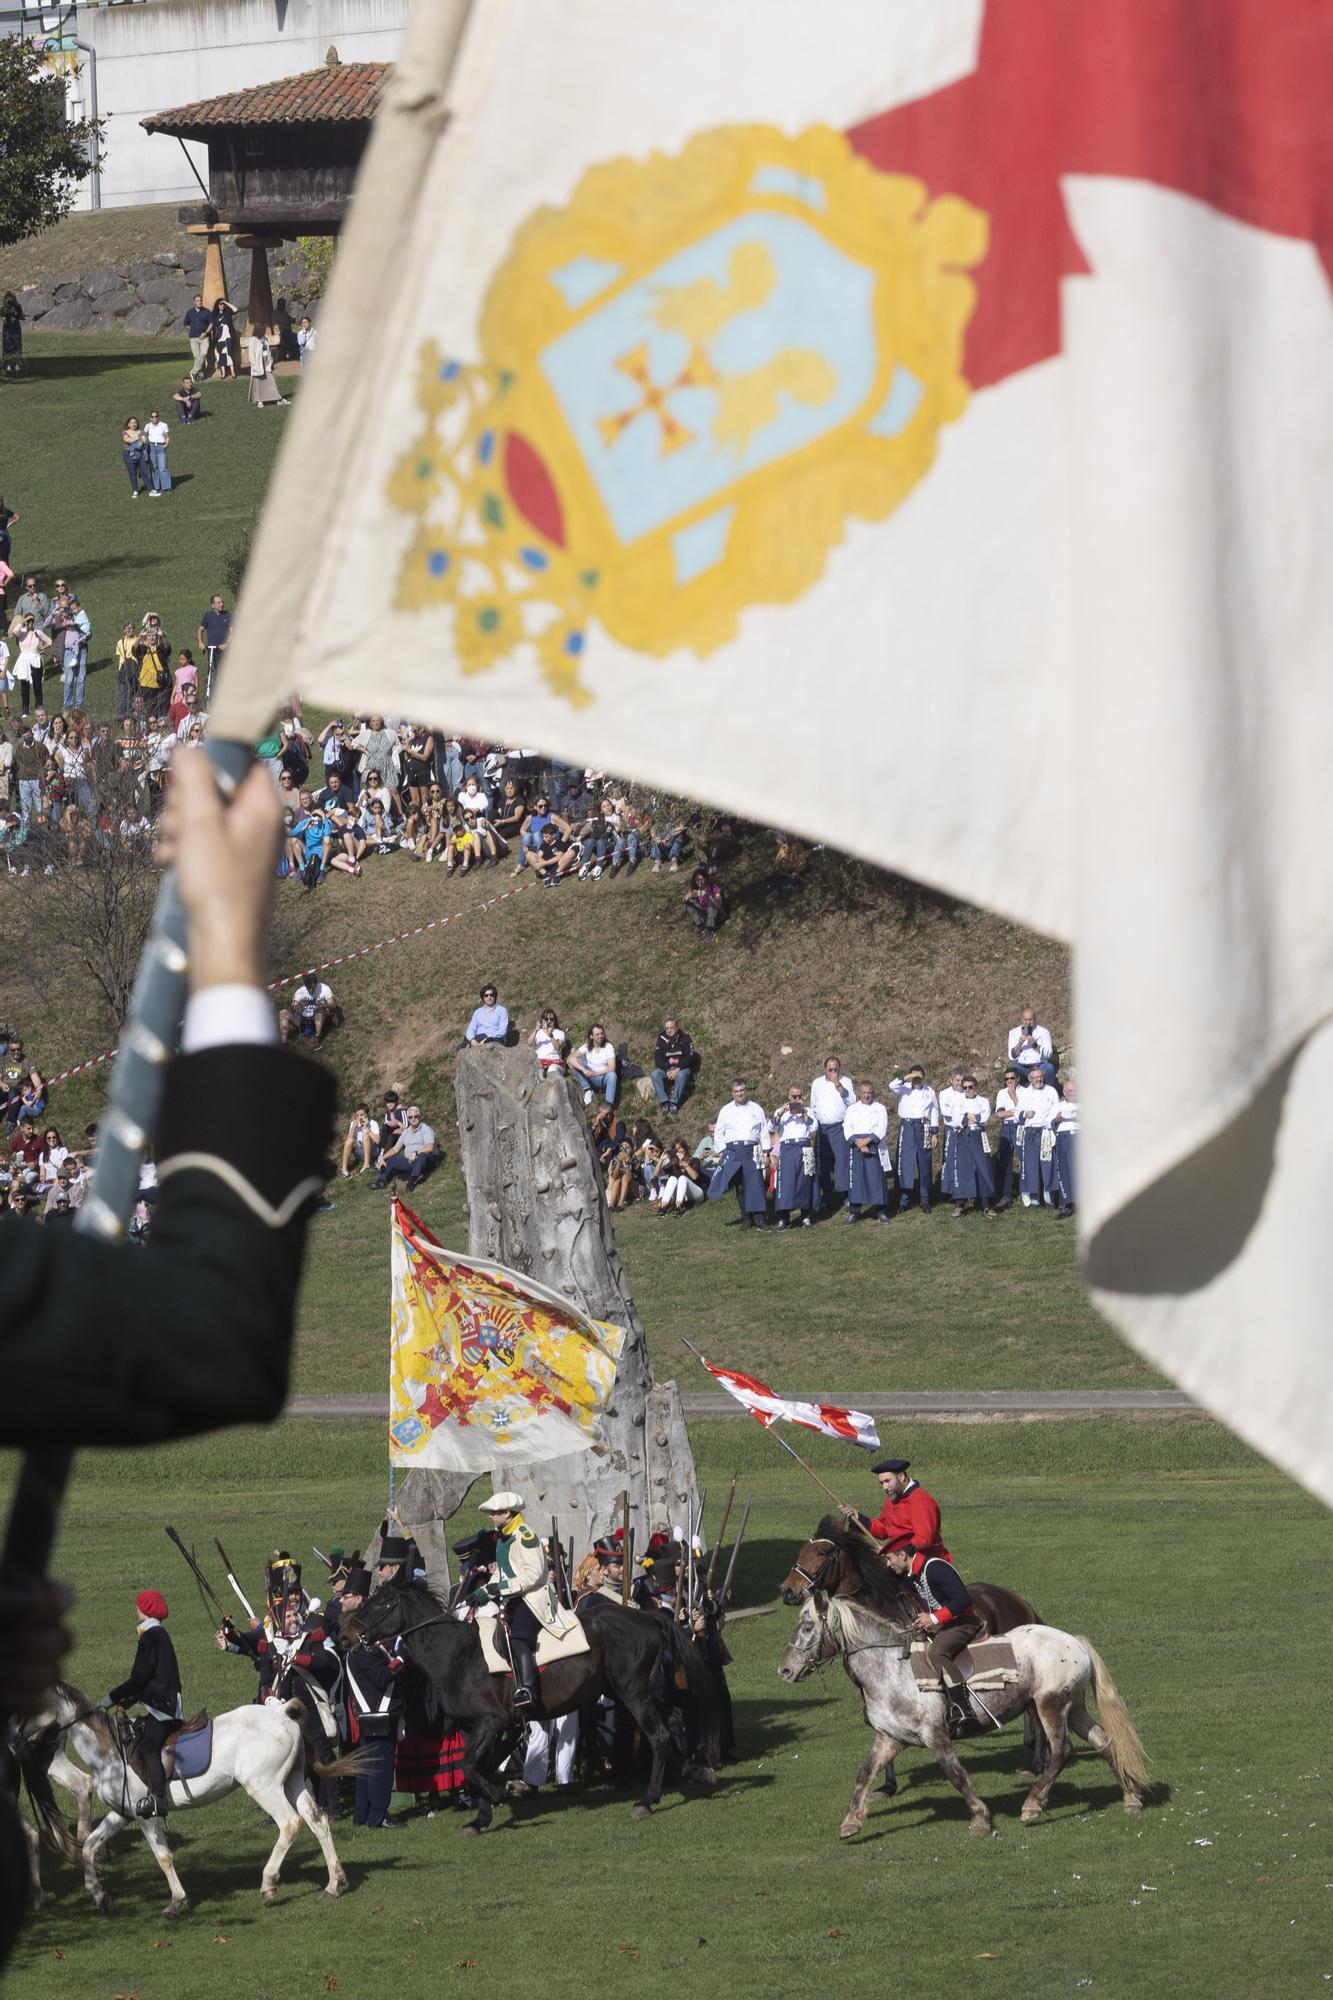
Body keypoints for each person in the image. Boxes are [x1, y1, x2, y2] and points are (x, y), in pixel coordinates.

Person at [472, 1491, 577, 1712]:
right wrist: (483, 1592)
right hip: (514, 1598)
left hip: (533, 1599)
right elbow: (503, 1572)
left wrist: (499, 1588)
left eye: (494, 1512)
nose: (491, 1516)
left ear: (507, 1513)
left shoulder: (525, 1536)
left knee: (518, 1638)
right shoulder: (504, 1537)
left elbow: (533, 1575)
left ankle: (527, 1689)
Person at [881, 1542, 986, 1733]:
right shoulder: (911, 1574)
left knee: (937, 1652)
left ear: (903, 1555)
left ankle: (962, 1707)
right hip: (942, 1624)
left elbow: (963, 1599)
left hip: (964, 1621)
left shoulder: (936, 1568)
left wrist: (934, 1618)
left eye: (889, 1558)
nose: (888, 1564)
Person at [104, 1589, 183, 1817]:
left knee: (148, 1746)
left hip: (163, 1706)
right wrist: (128, 1700)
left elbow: (139, 1678)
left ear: (145, 1610)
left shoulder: (150, 1637)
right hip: (162, 1701)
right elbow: (149, 1678)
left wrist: (112, 1697)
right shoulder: (157, 1634)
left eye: (138, 1605)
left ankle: (158, 1799)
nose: (135, 1609)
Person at [344, 1624, 405, 1829]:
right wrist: (403, 1657)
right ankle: (378, 1816)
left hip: (369, 1717)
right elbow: (382, 1677)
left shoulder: (360, 1652)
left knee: (366, 1768)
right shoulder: (365, 1654)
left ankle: (362, 1815)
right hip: (379, 1716)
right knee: (381, 1768)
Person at [844, 1457, 951, 1561]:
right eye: (882, 1483)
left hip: (924, 1565)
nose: (885, 1487)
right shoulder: (893, 1497)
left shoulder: (920, 1500)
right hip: (900, 1561)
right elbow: (883, 1529)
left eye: (887, 1481)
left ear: (901, 1477)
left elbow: (923, 1539)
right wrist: (858, 1518)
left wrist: (893, 1551)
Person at [707, 1080, 771, 1229]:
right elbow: (718, 1132)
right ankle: (746, 1218)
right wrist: (723, 1151)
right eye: (736, 1091)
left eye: (742, 1090)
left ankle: (759, 1218)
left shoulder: (756, 1109)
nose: (740, 1093)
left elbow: (763, 1131)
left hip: (752, 1150)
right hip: (734, 1151)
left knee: (756, 1185)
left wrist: (766, 1153)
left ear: (746, 1091)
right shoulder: (726, 1110)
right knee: (740, 1186)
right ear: (732, 1093)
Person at [889, 1067, 939, 1213]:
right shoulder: (903, 1088)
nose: (917, 1080)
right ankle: (903, 1200)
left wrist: (934, 1132)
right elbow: (891, 1085)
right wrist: (908, 1077)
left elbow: (934, 1110)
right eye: (914, 1077)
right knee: (905, 1164)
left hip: (923, 1127)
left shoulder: (929, 1091)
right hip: (907, 1127)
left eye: (919, 1077)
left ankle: (925, 1200)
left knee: (924, 1163)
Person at [810, 1056, 855, 1211]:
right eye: (830, 1069)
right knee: (824, 1163)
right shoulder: (817, 1083)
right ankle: (827, 1195)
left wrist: (839, 1086)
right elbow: (813, 1105)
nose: (833, 1072)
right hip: (822, 1129)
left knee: (842, 1161)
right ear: (825, 1070)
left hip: (839, 1127)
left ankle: (846, 1196)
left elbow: (852, 1101)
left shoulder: (846, 1081)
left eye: (836, 1069)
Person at [843, 1080, 891, 1224]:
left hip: (873, 1145)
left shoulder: (880, 1108)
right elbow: (847, 1127)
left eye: (869, 1092)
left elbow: (882, 1128)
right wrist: (858, 1143)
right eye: (864, 1092)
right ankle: (855, 1212)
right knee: (856, 1180)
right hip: (856, 1146)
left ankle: (880, 1211)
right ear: (860, 1093)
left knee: (876, 1179)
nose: (867, 1095)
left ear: (873, 1092)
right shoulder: (851, 1109)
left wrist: (867, 1142)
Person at [951, 1075, 997, 1218]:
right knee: (963, 1169)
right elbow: (956, 1118)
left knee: (983, 1168)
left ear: (976, 1087)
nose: (968, 1090)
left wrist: (969, 1116)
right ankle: (960, 1204)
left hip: (978, 1136)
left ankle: (986, 1204)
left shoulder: (983, 1101)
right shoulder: (958, 1101)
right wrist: (968, 1117)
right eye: (965, 1088)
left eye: (971, 1087)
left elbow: (984, 1117)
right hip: (963, 1135)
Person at [772, 1087, 818, 1227]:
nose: (796, 1099)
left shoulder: (808, 1111)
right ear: (788, 1096)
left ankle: (806, 1216)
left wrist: (803, 1113)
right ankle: (784, 1218)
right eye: (794, 1096)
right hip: (787, 1148)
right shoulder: (781, 1112)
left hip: (805, 1146)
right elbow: (770, 1127)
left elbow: (814, 1128)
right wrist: (781, 1112)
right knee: (786, 1184)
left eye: (799, 1096)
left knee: (806, 1181)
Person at [1015, 1069, 1061, 1208]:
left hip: (1045, 1131)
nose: (1038, 1079)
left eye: (1040, 1077)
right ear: (1030, 1079)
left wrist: (1051, 1122)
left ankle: (1049, 1199)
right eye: (1035, 1077)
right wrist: (1025, 1113)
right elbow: (1017, 1113)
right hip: (1030, 1132)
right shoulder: (1025, 1093)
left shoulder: (1051, 1091)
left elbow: (1056, 1109)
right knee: (1031, 1166)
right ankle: (1034, 1198)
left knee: (1047, 1165)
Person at [374, 1105, 439, 1190]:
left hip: (427, 1161)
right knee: (392, 1160)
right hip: (410, 1161)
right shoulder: (406, 1132)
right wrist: (383, 1157)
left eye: (416, 1116)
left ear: (420, 1117)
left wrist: (416, 1153)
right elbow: (395, 1149)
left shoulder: (426, 1129)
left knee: (421, 1156)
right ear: (408, 1119)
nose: (413, 1118)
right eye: (410, 1117)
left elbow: (430, 1148)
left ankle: (411, 1181)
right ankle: (381, 1181)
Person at [992, 1066, 1023, 1211]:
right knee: (1004, 1161)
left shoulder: (1025, 1092)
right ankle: (1006, 1194)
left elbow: (1025, 1112)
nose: (1009, 1081)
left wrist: (1013, 1097)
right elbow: (999, 1114)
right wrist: (1015, 1112)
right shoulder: (1001, 1093)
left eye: (1012, 1078)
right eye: (1007, 1079)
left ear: (1018, 1079)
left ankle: (1027, 1192)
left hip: (1020, 1127)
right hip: (1006, 1127)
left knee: (1023, 1159)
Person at [651, 1017, 695, 1117]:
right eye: (667, 1028)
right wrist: (667, 1070)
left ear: (677, 1027)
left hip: (681, 1068)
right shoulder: (661, 1038)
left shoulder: (686, 1039)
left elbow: (690, 1057)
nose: (669, 1030)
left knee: (681, 1075)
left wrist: (678, 1069)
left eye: (672, 1027)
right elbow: (658, 1058)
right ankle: (665, 1102)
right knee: (654, 1074)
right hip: (667, 1069)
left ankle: (674, 1102)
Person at [937, 1068, 966, 1207]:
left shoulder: (967, 1092)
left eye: (961, 1080)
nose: (959, 1083)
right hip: (951, 1129)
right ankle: (950, 1191)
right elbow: (945, 1111)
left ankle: (964, 1190)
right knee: (949, 1160)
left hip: (965, 1129)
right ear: (951, 1080)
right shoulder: (944, 1093)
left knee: (963, 1161)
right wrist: (961, 1113)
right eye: (957, 1080)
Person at [279, 976, 336, 1048]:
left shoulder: (324, 988)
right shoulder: (300, 992)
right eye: (309, 988)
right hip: (303, 1020)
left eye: (313, 987)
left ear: (316, 983)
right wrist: (295, 1007)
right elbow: (292, 1009)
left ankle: (318, 1038)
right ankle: (284, 1044)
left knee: (319, 1011)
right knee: (283, 1012)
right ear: (305, 985)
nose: (311, 990)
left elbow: (333, 1004)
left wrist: (323, 1005)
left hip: (319, 1019)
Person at [569, 1022, 617, 1104]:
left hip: (603, 1078)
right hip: (590, 1077)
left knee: (612, 1075)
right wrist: (583, 1069)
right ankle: (587, 1090)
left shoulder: (608, 1047)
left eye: (602, 1034)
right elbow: (571, 1058)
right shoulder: (587, 1046)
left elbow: (612, 1067)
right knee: (578, 1062)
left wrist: (597, 1073)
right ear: (591, 1036)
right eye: (597, 1034)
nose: (600, 1036)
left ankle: (608, 1105)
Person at [654, 1137, 706, 1213]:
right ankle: (663, 1206)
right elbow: (655, 1174)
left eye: (680, 1148)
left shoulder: (694, 1160)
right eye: (676, 1149)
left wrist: (684, 1163)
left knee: (682, 1178)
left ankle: (679, 1206)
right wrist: (661, 1160)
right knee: (672, 1178)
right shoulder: (673, 1164)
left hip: (696, 1193)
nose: (679, 1151)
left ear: (685, 1148)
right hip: (680, 1194)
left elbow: (694, 1177)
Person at [1008, 1005, 1056, 1085]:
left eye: (1030, 1020)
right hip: (1022, 1065)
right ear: (1021, 1019)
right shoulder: (1014, 1033)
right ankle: (1009, 1095)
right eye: (1025, 1020)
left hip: (1039, 1065)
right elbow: (1012, 1056)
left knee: (1049, 1068)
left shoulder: (1043, 1032)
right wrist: (1019, 1044)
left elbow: (1049, 1054)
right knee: (1011, 1071)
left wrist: (1035, 1045)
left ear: (1035, 1019)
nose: (1028, 1022)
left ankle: (1049, 1094)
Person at [197, 594, 231, 705]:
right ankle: (211, 698)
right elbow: (200, 630)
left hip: (224, 650)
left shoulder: (228, 615)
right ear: (213, 605)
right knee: (212, 672)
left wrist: (226, 643)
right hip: (212, 650)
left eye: (222, 602)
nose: (222, 604)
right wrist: (201, 642)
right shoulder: (208, 616)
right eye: (219, 602)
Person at [1053, 1076, 1079, 1219]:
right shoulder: (1059, 1106)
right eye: (1069, 1091)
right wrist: (1056, 1119)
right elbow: (1049, 1122)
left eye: (1075, 1091)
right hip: (1063, 1138)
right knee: (1065, 1170)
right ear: (1064, 1092)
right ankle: (1067, 1204)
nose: (1072, 1093)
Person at [247, 323, 288, 407]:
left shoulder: (265, 338)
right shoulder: (253, 340)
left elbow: (268, 350)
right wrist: (254, 365)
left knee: (270, 380)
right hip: (258, 363)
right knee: (258, 382)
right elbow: (251, 354)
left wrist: (271, 361)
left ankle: (277, 398)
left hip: (266, 362)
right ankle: (259, 401)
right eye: (263, 330)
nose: (265, 331)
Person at [683, 866, 725, 939]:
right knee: (688, 903)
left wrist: (708, 896)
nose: (699, 882)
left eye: (701, 879)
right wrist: (688, 896)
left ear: (705, 878)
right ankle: (700, 925)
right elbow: (684, 899)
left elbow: (719, 901)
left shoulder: (713, 887)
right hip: (705, 914)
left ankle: (711, 929)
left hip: (717, 915)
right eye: (697, 880)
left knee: (712, 905)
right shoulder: (695, 889)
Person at [528, 1008, 568, 1075]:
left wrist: (551, 1036)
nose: (549, 1021)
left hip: (555, 1063)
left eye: (551, 1019)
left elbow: (558, 1047)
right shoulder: (538, 1032)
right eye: (546, 1019)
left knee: (552, 1069)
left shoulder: (559, 1033)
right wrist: (535, 1030)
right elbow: (529, 1043)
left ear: (554, 1020)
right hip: (539, 1063)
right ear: (542, 1020)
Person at [144, 409, 172, 495]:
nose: (154, 418)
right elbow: (143, 434)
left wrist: (166, 444)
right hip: (151, 447)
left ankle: (167, 487)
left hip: (161, 447)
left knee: (163, 467)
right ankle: (156, 487)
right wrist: (145, 440)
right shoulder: (147, 426)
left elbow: (167, 436)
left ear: (158, 417)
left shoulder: (163, 425)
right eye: (152, 417)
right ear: (150, 418)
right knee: (153, 468)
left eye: (156, 416)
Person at [183, 293, 212, 375]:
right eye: (198, 301)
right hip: (193, 338)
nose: (200, 302)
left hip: (204, 337)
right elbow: (186, 324)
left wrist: (206, 333)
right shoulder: (189, 313)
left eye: (201, 300)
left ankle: (193, 372)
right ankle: (201, 374)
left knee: (203, 353)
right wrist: (192, 329)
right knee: (196, 356)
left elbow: (211, 323)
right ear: (194, 302)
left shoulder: (206, 311)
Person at [211, 295, 239, 378]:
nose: (222, 305)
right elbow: (212, 325)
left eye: (223, 304)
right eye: (220, 304)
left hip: (228, 336)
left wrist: (226, 302)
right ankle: (223, 373)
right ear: (217, 305)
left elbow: (236, 310)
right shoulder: (214, 315)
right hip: (219, 338)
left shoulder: (227, 312)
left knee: (229, 353)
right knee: (221, 354)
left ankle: (233, 372)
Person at [1, 292, 23, 378]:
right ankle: (17, 367)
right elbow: (20, 316)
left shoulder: (3, 308)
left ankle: (8, 367)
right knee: (17, 347)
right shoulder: (18, 306)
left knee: (7, 347)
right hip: (16, 329)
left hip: (7, 330)